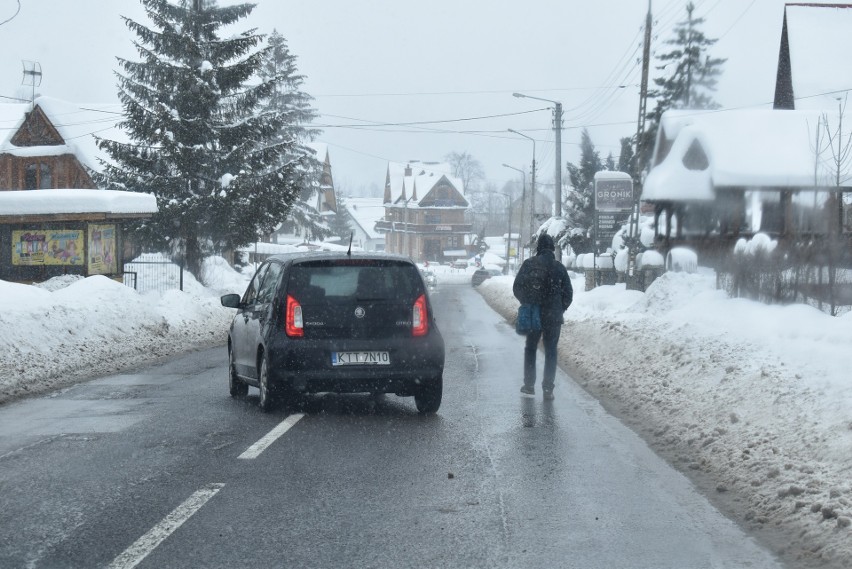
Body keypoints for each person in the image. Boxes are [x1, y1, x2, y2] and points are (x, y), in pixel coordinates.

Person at [512, 233, 573, 400]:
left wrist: (527, 302)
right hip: (553, 316)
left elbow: (517, 287)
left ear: (538, 247)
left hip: (534, 314)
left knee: (531, 348)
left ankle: (529, 385)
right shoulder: (559, 268)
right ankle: (548, 389)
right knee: (551, 351)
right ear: (552, 248)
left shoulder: (529, 265)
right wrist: (561, 307)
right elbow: (568, 293)